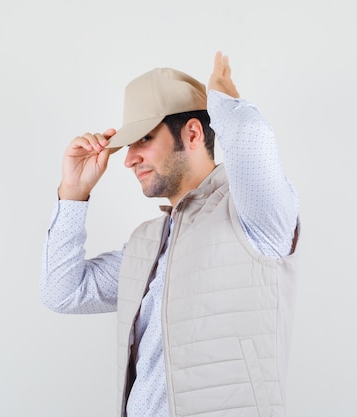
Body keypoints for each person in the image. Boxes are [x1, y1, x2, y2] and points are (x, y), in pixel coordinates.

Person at [40, 51, 301, 417]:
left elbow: (250, 138)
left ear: (193, 133)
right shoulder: (148, 242)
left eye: (144, 138)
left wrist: (224, 102)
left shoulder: (254, 217)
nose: (129, 159)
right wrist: (73, 191)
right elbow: (62, 292)